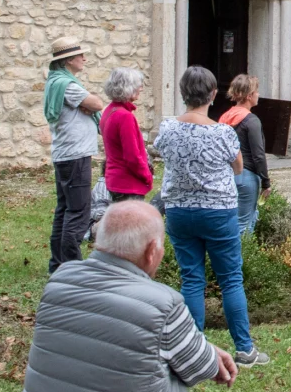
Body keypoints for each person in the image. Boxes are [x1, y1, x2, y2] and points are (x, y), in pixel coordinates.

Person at [17, 201, 249, 392]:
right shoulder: (162, 304)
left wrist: (199, 347)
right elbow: (201, 367)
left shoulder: (60, 282)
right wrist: (210, 354)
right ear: (152, 251)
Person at [157, 66, 269, 367]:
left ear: (182, 94)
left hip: (179, 210)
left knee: (191, 278)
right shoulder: (222, 132)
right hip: (218, 210)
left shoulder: (167, 128)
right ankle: (245, 350)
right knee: (230, 279)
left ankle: (192, 350)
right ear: (213, 94)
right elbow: (237, 167)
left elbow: (162, 154)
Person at [45, 36, 107, 272]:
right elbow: (97, 104)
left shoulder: (58, 82)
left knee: (64, 209)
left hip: (66, 154)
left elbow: (91, 104)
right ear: (69, 59)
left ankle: (58, 263)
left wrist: (88, 104)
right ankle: (71, 265)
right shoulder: (68, 86)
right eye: (80, 55)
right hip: (75, 154)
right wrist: (89, 103)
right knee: (78, 211)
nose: (84, 58)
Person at [220, 75, 268, 237]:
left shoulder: (224, 117)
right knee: (244, 225)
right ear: (249, 96)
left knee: (227, 222)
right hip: (247, 176)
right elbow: (258, 155)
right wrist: (266, 182)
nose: (258, 95)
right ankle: (243, 261)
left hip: (226, 175)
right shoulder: (252, 121)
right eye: (256, 91)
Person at [102, 67, 152, 202]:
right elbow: (132, 156)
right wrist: (147, 176)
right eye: (137, 85)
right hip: (127, 183)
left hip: (115, 180)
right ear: (127, 88)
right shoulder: (124, 116)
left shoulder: (109, 110)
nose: (141, 89)